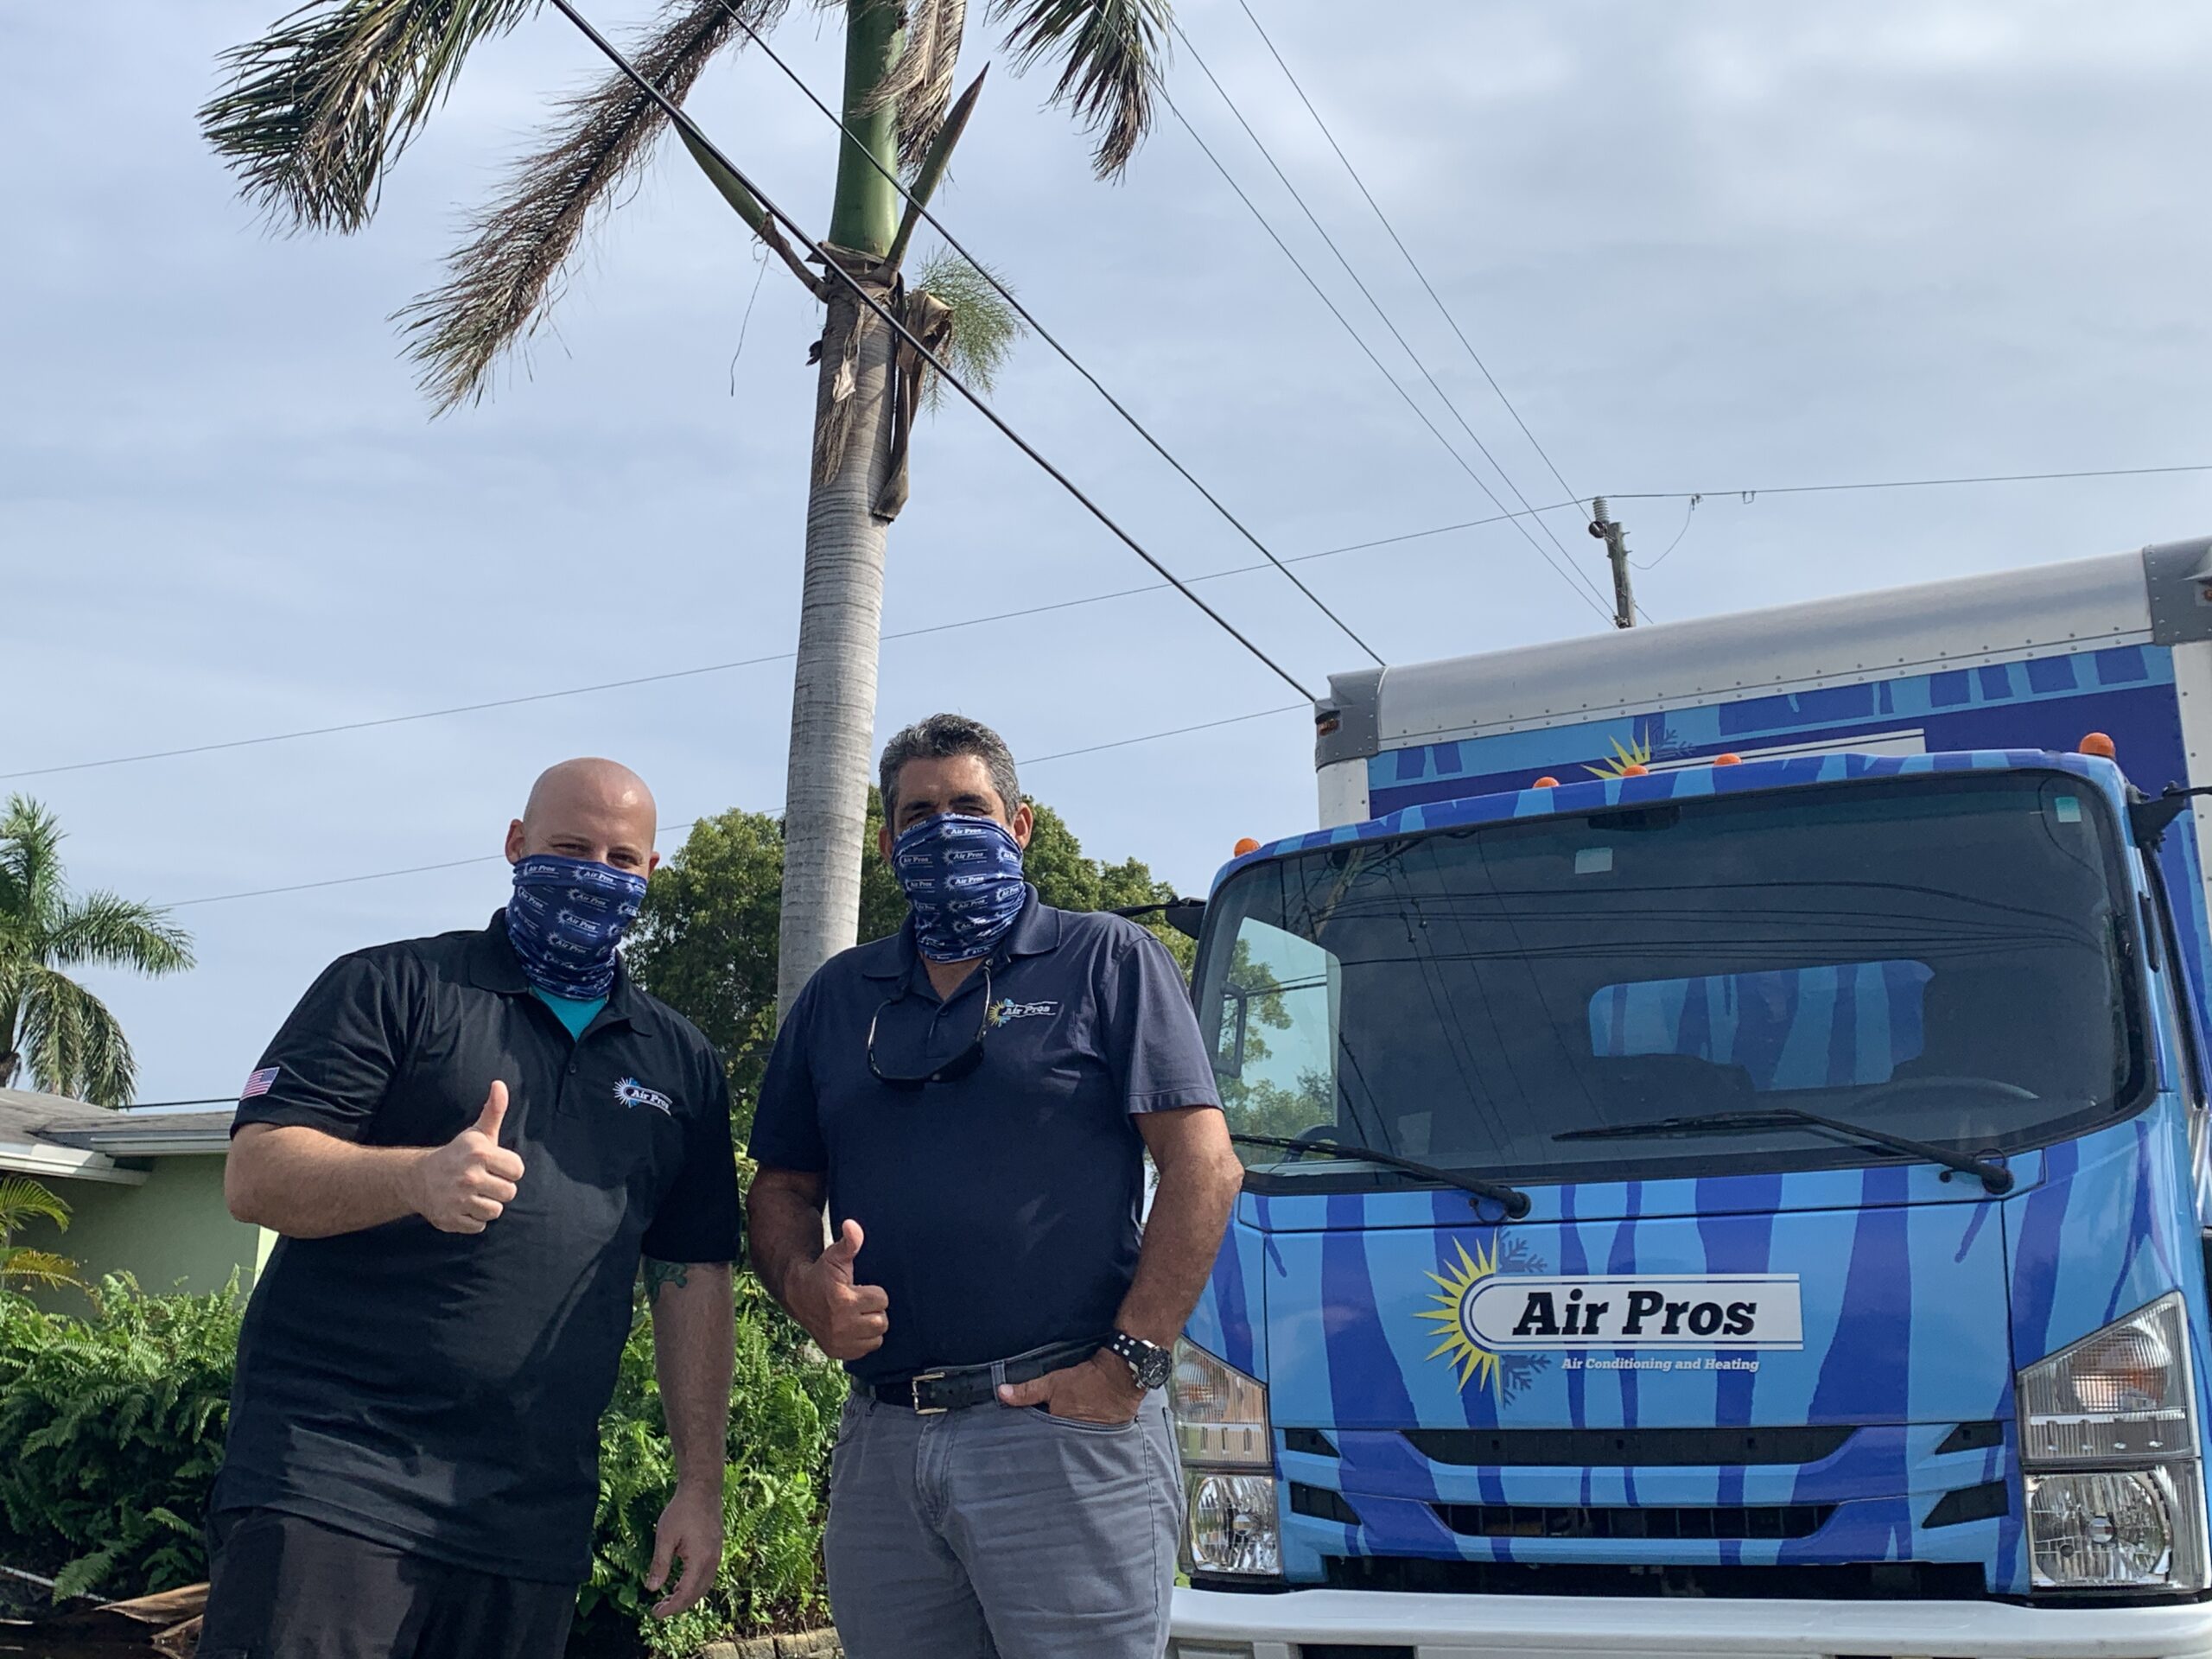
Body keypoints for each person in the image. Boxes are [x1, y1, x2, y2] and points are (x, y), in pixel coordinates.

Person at [201, 758, 741, 1659]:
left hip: (529, 1519)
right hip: (334, 1479)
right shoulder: (392, 986)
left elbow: (691, 1274)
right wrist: (411, 1180)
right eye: (570, 847)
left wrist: (700, 1484)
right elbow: (255, 1174)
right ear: (516, 846)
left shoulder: (680, 1062)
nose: (594, 873)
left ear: (650, 875)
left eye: (620, 857)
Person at [748, 714, 1246, 1659]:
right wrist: (803, 1285)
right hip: (885, 1441)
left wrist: (1128, 1367)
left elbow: (1205, 1167)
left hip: (1062, 1434)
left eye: (968, 807)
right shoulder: (838, 995)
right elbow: (779, 1187)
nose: (944, 829)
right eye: (919, 813)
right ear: (888, 842)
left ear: (1019, 825)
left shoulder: (1105, 959)